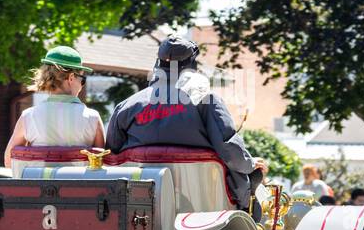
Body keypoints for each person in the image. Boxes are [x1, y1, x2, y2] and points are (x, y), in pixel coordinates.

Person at [105, 36, 262, 211]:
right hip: (207, 205)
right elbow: (230, 151)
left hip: (138, 207)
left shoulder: (126, 107)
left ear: (158, 63)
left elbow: (112, 156)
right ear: (192, 66)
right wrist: (251, 164)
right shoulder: (207, 100)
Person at [4, 46, 105, 167]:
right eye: (82, 79)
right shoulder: (92, 118)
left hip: (38, 185)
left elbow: (9, 161)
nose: (82, 85)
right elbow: (101, 164)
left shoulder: (29, 116)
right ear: (71, 77)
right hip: (78, 185)